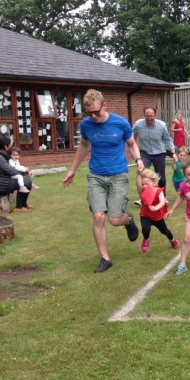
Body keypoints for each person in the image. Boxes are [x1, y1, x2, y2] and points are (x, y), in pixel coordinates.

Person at [62, 89, 143, 273]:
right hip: (96, 175)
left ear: (104, 105)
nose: (94, 116)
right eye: (89, 113)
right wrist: (72, 170)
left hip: (118, 174)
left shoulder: (120, 123)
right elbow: (83, 146)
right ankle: (105, 258)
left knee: (114, 219)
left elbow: (131, 143)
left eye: (97, 112)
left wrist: (138, 160)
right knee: (98, 216)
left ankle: (128, 220)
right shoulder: (86, 125)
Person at [132, 106, 178, 201]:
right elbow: (132, 139)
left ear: (155, 115)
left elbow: (167, 139)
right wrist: (134, 151)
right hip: (145, 152)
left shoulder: (161, 125)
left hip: (159, 153)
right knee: (143, 173)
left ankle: (163, 196)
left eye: (151, 116)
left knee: (161, 177)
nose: (149, 118)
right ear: (144, 115)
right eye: (147, 116)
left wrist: (173, 152)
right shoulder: (138, 125)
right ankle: (144, 197)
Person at [136, 168, 179, 253]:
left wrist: (156, 208)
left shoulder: (159, 191)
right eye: (143, 184)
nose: (144, 186)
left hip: (157, 217)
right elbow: (138, 186)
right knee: (145, 229)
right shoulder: (142, 191)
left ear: (153, 182)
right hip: (145, 215)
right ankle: (146, 239)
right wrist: (138, 174)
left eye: (146, 184)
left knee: (165, 231)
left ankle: (172, 239)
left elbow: (162, 202)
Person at [0, 137, 34, 212]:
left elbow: (14, 167)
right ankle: (18, 207)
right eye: (10, 145)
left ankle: (23, 204)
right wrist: (24, 173)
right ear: (5, 147)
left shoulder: (1, 154)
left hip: (2, 180)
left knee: (28, 181)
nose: (11, 147)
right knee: (25, 181)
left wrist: (25, 172)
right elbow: (9, 170)